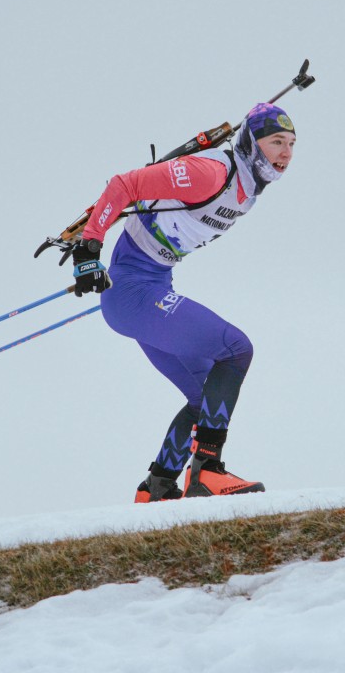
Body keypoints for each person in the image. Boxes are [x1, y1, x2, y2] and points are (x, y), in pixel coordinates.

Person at [72, 102, 296, 502]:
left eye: (292, 144)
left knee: (205, 395)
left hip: (148, 289)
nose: (286, 153)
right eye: (276, 141)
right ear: (252, 141)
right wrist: (89, 250)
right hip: (134, 293)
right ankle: (207, 471)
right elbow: (125, 184)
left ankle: (157, 487)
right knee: (236, 348)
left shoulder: (247, 189)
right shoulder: (211, 172)